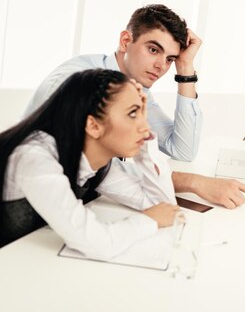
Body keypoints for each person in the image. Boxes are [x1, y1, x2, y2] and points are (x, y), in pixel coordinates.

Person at [24, 4, 245, 209]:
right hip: (30, 209)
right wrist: (193, 182)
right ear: (125, 41)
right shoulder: (77, 82)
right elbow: (98, 170)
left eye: (170, 58)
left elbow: (182, 149)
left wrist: (185, 71)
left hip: (84, 202)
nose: (161, 66)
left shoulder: (136, 89)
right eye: (153, 50)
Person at [0, 69, 180, 258]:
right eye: (133, 114)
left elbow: (164, 206)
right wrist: (148, 221)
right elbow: (96, 243)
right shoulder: (34, 157)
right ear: (93, 126)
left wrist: (145, 146)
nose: (145, 126)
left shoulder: (97, 162)